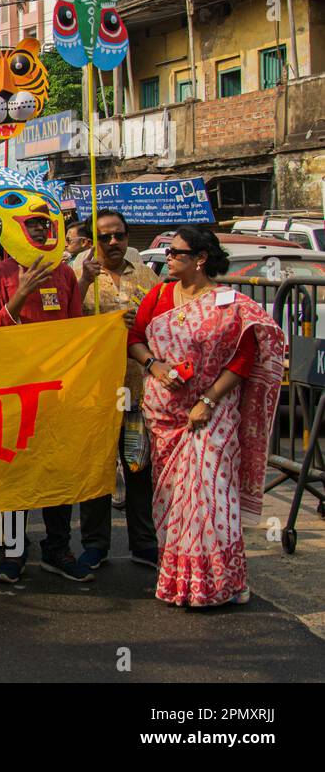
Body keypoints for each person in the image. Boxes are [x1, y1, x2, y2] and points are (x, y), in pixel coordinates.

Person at [127, 226, 284, 607]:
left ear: (200, 259)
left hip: (213, 415)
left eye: (176, 253)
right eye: (168, 253)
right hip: (165, 415)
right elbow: (135, 338)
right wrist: (155, 366)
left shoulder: (228, 303)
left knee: (210, 501)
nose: (169, 259)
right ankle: (178, 582)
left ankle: (221, 583)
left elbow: (244, 360)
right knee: (171, 499)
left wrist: (209, 401)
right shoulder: (161, 295)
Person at [0, 218, 87, 584]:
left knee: (57, 468)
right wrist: (20, 294)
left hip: (57, 390)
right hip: (12, 389)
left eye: (46, 224)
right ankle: (14, 551)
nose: (41, 231)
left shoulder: (65, 273)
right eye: (32, 224)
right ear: (13, 230)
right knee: (14, 471)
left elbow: (76, 328)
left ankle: (58, 548)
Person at [73, 210, 161, 573]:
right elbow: (65, 321)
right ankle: (95, 545)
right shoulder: (80, 272)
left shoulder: (144, 274)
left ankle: (145, 544)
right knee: (97, 473)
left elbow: (162, 317)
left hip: (136, 388)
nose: (113, 242)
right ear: (93, 240)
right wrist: (82, 284)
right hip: (94, 390)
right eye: (105, 236)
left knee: (139, 470)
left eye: (119, 236)